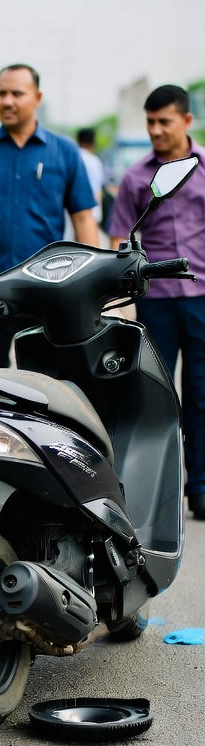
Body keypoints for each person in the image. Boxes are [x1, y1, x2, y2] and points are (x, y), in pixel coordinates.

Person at [0, 64, 99, 366]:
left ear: (37, 97)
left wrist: (90, 283)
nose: (7, 101)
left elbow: (83, 218)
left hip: (47, 289)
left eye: (17, 93)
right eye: (1, 93)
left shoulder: (64, 152)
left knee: (45, 379)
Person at [108, 84, 205, 520]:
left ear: (187, 121)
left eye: (164, 121)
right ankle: (161, 497)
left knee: (202, 395)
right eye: (150, 122)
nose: (156, 130)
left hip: (202, 299)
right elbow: (120, 240)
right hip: (158, 302)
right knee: (158, 400)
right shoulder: (135, 178)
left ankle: (200, 489)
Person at [75, 126, 105, 226]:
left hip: (75, 213)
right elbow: (99, 190)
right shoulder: (95, 161)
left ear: (78, 140)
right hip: (93, 212)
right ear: (93, 142)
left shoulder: (74, 158)